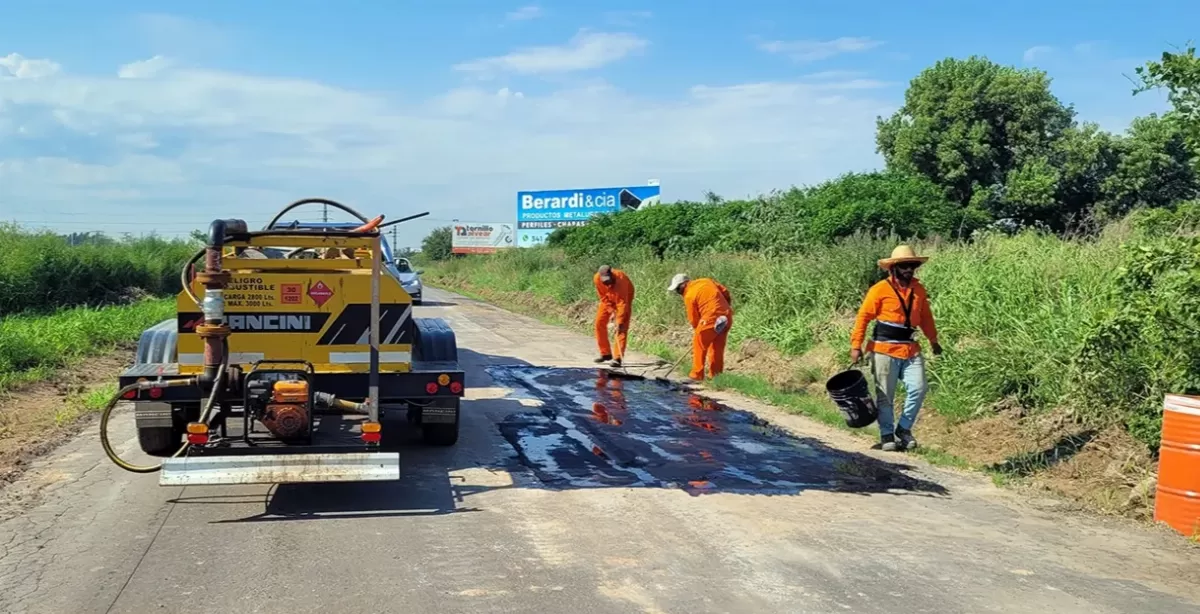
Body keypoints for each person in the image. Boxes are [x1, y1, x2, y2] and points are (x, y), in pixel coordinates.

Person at [850, 245, 943, 452]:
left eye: (911, 266)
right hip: (884, 349)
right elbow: (863, 318)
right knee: (885, 396)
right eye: (904, 266)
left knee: (919, 388)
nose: (908, 269)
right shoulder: (879, 290)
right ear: (893, 268)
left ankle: (904, 428)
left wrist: (933, 341)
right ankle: (886, 434)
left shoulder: (919, 289)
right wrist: (856, 346)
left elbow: (926, 318)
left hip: (911, 349)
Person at [667, 273, 733, 381]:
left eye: (677, 289)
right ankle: (716, 377)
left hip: (711, 318)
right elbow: (725, 292)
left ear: (683, 285)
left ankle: (696, 375)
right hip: (725, 316)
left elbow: (693, 318)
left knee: (699, 345)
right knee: (717, 347)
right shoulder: (706, 281)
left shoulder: (689, 295)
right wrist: (727, 306)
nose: (677, 292)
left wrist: (698, 330)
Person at [593, 265, 635, 367]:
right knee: (599, 323)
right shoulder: (597, 278)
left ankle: (617, 358)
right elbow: (602, 296)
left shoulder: (620, 279)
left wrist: (619, 321)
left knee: (621, 328)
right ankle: (605, 353)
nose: (607, 283)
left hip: (623, 300)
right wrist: (611, 310)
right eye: (604, 281)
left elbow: (622, 303)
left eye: (608, 279)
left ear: (612, 274)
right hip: (607, 300)